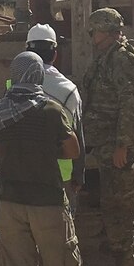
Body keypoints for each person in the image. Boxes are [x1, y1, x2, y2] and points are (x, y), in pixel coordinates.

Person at [0, 51, 87, 266]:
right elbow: (72, 151)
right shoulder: (51, 111)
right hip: (47, 204)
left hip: (10, 206)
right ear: (38, 77)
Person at [82, 7, 134, 266]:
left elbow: (130, 103)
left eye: (95, 30)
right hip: (107, 143)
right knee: (113, 204)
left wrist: (123, 145)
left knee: (120, 207)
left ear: (106, 31)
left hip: (118, 146)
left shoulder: (121, 59)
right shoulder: (109, 57)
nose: (92, 36)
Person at [26, 23, 85, 216]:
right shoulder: (69, 90)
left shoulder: (12, 86)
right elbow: (77, 135)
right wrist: (79, 175)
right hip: (59, 175)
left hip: (22, 174)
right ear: (55, 54)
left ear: (27, 51)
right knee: (62, 236)